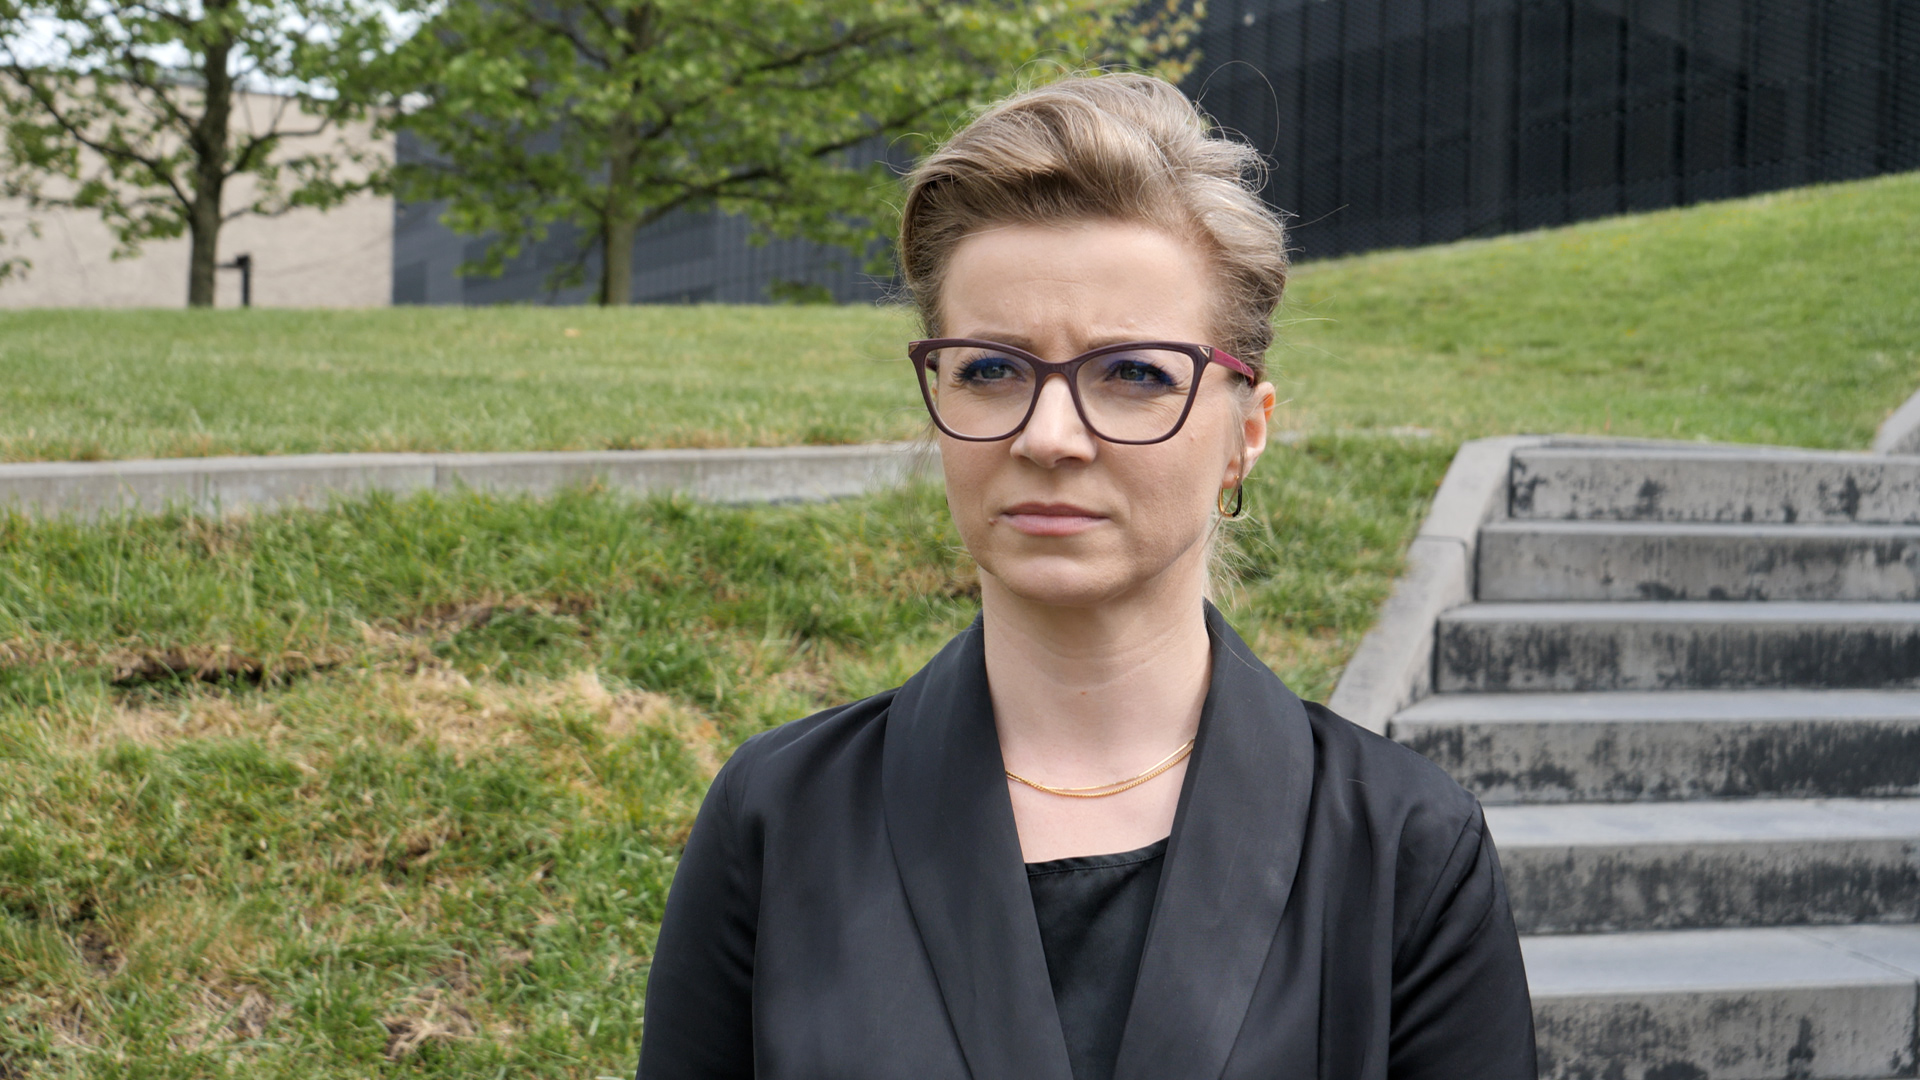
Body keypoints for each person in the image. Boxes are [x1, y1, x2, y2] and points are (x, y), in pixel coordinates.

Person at [636, 73, 1536, 1080]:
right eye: (990, 369)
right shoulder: (779, 818)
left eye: (1135, 373)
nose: (1049, 436)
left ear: (1247, 431)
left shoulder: (1405, 849)